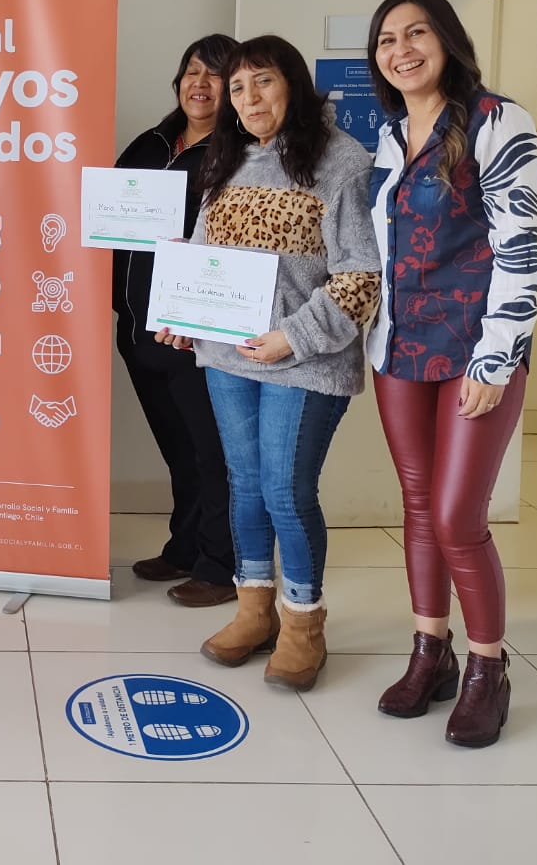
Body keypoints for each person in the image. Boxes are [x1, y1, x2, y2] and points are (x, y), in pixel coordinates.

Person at [157, 34, 380, 692]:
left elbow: (361, 278)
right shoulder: (225, 161)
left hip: (305, 363)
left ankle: (303, 624)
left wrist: (293, 336)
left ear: (295, 86)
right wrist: (181, 311)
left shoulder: (341, 160)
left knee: (285, 489)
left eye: (264, 82)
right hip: (229, 359)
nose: (249, 98)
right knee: (246, 484)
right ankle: (253, 610)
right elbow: (200, 254)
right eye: (238, 88)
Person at [365, 0, 537, 748]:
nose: (401, 49)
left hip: (476, 348)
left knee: (457, 519)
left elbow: (523, 249)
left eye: (417, 33)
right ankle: (429, 650)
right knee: (415, 503)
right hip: (399, 347)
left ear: (447, 39)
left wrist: (496, 357)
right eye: (386, 40)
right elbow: (380, 246)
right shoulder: (388, 131)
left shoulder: (499, 120)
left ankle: (486, 668)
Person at [115, 35, 239, 608]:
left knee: (211, 454)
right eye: (192, 71)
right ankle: (184, 547)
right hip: (139, 329)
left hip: (198, 335)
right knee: (178, 450)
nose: (200, 84)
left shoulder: (241, 155)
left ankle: (219, 566)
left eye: (215, 75)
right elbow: (109, 219)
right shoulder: (153, 141)